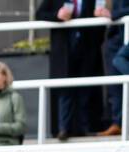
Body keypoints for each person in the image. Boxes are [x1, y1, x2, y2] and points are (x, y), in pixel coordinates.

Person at [38, 0, 112, 139]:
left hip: (87, 52)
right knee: (65, 91)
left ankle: (86, 128)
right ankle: (63, 129)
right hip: (64, 53)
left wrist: (102, 17)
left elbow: (100, 28)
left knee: (86, 91)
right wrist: (57, 15)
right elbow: (40, 14)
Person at [99, 0, 128, 135]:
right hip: (115, 38)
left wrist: (112, 14)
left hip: (125, 39)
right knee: (115, 85)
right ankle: (118, 122)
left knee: (119, 62)